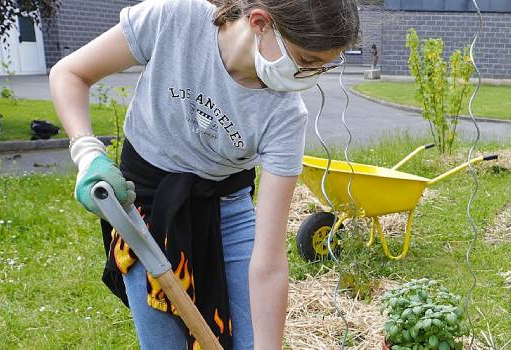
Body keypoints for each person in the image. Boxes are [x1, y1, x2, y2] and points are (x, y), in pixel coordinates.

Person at [48, 0, 358, 348]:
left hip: (226, 208)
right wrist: (88, 154)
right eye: (306, 61)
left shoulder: (286, 115)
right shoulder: (174, 19)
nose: (309, 77)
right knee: (164, 341)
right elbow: (70, 73)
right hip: (144, 207)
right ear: (260, 22)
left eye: (323, 68)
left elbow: (269, 264)